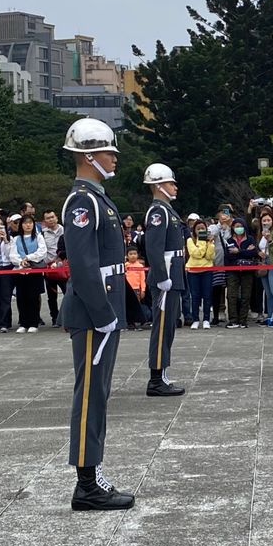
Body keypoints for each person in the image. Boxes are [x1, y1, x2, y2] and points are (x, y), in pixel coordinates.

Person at [60, 118, 134, 511]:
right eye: (108, 151)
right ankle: (86, 485)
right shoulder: (83, 201)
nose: (114, 158)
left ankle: (93, 474)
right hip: (93, 312)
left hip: (104, 309)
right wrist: (103, 312)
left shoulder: (97, 197)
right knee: (90, 395)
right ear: (89, 156)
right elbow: (84, 265)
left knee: (99, 394)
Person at [142, 163, 187, 397]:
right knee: (162, 329)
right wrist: (161, 276)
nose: (175, 187)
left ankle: (162, 374)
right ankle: (156, 380)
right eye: (170, 183)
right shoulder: (158, 212)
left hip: (173, 273)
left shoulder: (167, 210)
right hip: (166, 275)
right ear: (159, 186)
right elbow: (153, 248)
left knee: (168, 327)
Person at [9, 214, 47, 333]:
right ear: (21, 225)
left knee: (33, 297)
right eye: (25, 223)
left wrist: (29, 258)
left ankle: (33, 322)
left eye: (30, 223)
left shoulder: (38, 237)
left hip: (34, 270)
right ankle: (23, 322)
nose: (28, 225)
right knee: (21, 297)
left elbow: (42, 251)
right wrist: (20, 261)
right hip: (20, 271)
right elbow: (12, 254)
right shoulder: (16, 239)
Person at [223, 218, 258, 328]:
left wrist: (238, 251)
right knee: (231, 295)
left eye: (241, 226)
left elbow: (253, 253)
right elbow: (228, 255)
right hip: (232, 271)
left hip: (247, 271)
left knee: (246, 295)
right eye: (236, 226)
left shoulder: (250, 239)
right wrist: (245, 251)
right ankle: (233, 319)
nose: (239, 228)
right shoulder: (229, 240)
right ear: (233, 228)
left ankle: (243, 320)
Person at [185, 219, 215, 329]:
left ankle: (206, 319)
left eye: (203, 229)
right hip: (193, 271)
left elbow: (209, 256)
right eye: (198, 229)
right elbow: (196, 254)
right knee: (195, 296)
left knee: (207, 295)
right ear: (194, 230)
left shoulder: (210, 241)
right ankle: (195, 319)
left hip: (207, 270)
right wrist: (202, 241)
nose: (201, 231)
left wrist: (210, 244)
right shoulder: (190, 240)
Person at [41, 209, 66, 327]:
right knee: (51, 296)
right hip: (49, 268)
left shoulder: (65, 230)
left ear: (57, 217)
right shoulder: (42, 234)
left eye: (52, 217)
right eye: (48, 218)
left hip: (63, 267)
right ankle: (55, 318)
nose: (51, 220)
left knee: (67, 293)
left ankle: (66, 316)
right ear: (44, 221)